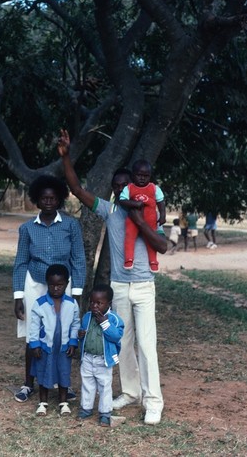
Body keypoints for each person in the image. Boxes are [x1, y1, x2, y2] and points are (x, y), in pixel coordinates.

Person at [58, 129, 167, 425]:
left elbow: (162, 246)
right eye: (115, 186)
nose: (120, 190)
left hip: (144, 286)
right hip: (119, 286)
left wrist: (138, 220)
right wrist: (66, 156)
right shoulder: (109, 210)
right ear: (112, 189)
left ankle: (153, 401)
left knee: (146, 344)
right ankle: (130, 392)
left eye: (124, 185)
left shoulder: (148, 210)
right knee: (124, 342)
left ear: (132, 185)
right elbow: (78, 190)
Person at [13, 174, 86, 403]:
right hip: (34, 284)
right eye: (44, 198)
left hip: (63, 286)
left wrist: (76, 295)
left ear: (60, 200)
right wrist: (18, 296)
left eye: (53, 198)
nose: (48, 201)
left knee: (63, 334)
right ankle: (28, 384)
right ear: (37, 199)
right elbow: (20, 261)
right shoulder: (27, 229)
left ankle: (64, 384)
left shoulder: (70, 225)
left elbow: (79, 260)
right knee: (32, 335)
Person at [29, 264, 80, 416]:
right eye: (52, 285)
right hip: (46, 347)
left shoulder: (72, 304)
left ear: (67, 284)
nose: (56, 288)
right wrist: (35, 344)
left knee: (63, 372)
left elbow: (76, 323)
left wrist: (73, 341)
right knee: (44, 371)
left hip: (64, 347)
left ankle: (63, 402)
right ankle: (42, 402)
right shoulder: (40, 304)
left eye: (60, 285)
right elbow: (33, 326)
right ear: (47, 283)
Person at [78, 283, 124, 427]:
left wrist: (105, 323)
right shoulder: (87, 317)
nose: (95, 306)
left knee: (104, 386)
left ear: (108, 303)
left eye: (99, 303)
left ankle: (105, 413)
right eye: (92, 302)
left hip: (103, 360)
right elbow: (83, 332)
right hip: (87, 357)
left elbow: (116, 337)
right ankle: (86, 408)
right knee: (87, 384)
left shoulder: (114, 319)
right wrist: (80, 335)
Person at [119, 159, 166, 272]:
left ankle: (153, 261)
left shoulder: (154, 188)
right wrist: (134, 203)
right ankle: (129, 259)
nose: (142, 178)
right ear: (133, 175)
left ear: (150, 176)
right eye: (139, 175)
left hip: (150, 219)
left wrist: (163, 215)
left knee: (150, 240)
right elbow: (122, 200)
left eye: (146, 176)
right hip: (133, 219)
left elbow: (161, 201)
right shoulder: (129, 188)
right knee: (129, 237)